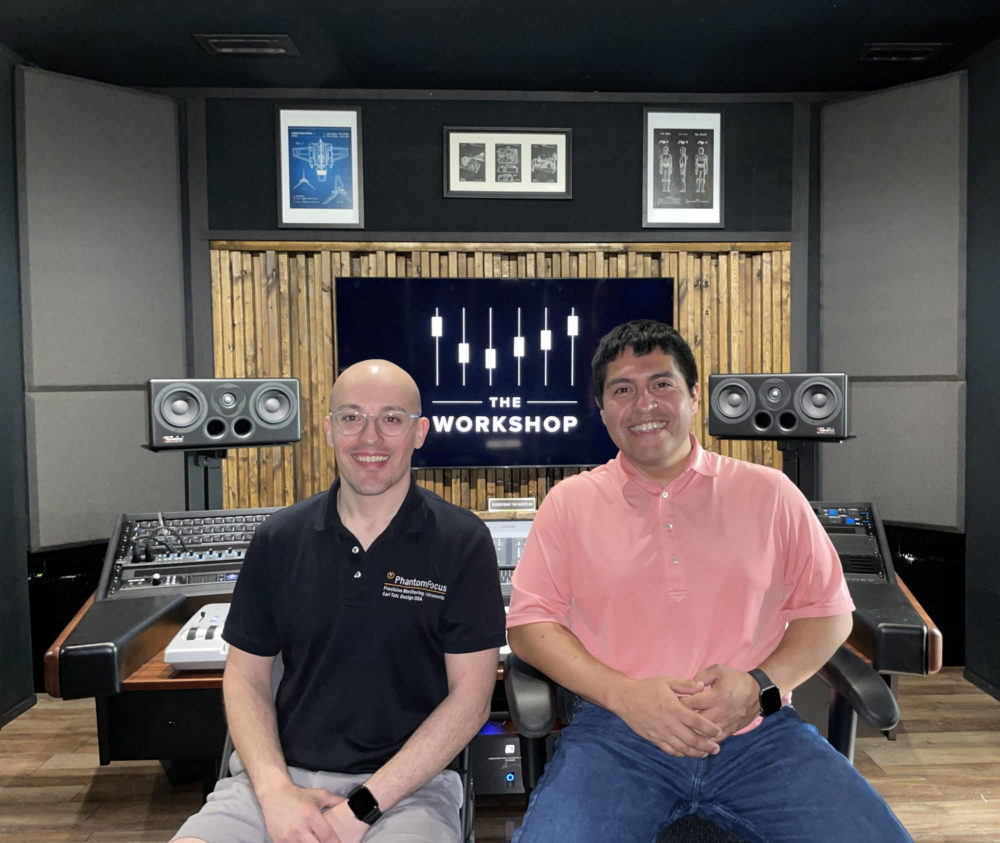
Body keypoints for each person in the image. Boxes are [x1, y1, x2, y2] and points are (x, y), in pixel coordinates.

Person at [505, 320, 911, 842]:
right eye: (622, 390)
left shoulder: (770, 493)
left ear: (694, 395)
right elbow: (530, 626)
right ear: (602, 409)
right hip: (618, 736)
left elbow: (829, 614)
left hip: (760, 737)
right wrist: (625, 696)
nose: (644, 404)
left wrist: (760, 686)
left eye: (662, 383)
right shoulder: (569, 503)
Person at [173, 359, 506, 843]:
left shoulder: (462, 542)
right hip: (275, 782)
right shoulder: (278, 539)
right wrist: (275, 791)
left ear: (419, 433)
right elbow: (245, 678)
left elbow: (471, 701)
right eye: (352, 417)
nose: (370, 437)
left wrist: (360, 810)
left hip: (409, 790)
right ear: (329, 429)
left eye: (391, 419)